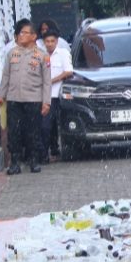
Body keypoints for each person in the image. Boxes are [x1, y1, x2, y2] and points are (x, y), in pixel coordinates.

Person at [0, 19, 51, 175]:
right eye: (19, 33)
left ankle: (34, 160)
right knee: (14, 132)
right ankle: (15, 162)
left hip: (33, 99)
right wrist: (1, 94)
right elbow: (6, 75)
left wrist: (46, 102)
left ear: (33, 36)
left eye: (24, 33)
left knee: (33, 132)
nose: (20, 35)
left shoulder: (42, 56)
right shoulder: (11, 53)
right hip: (14, 99)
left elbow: (47, 81)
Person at [39, 29, 72, 162]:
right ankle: (45, 154)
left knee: (57, 124)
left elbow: (68, 72)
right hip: (44, 95)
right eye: (47, 41)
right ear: (44, 42)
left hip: (59, 94)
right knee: (46, 125)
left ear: (57, 41)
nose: (50, 44)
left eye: (52, 41)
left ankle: (55, 150)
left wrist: (52, 81)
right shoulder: (40, 55)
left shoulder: (63, 53)